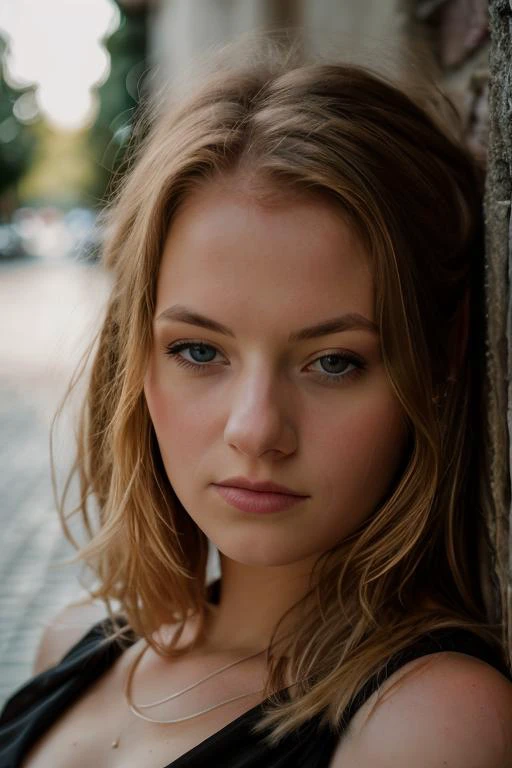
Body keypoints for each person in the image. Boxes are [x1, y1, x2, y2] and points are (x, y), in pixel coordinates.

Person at [1, 39, 512, 768]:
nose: (256, 430)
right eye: (199, 352)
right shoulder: (75, 641)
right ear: (136, 357)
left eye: (334, 362)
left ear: (440, 361)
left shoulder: (428, 722)